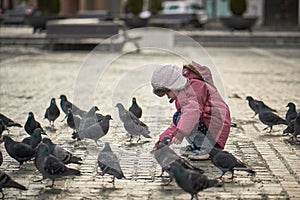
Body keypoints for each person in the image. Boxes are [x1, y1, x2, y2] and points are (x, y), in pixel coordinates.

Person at [151, 62, 231, 160]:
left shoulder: (194, 87)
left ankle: (205, 148)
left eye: (167, 92)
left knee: (182, 118)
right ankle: (198, 145)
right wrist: (162, 141)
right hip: (209, 124)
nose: (167, 97)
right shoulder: (184, 92)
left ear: (173, 86)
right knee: (179, 118)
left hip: (215, 127)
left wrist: (180, 134)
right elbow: (177, 124)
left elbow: (193, 113)